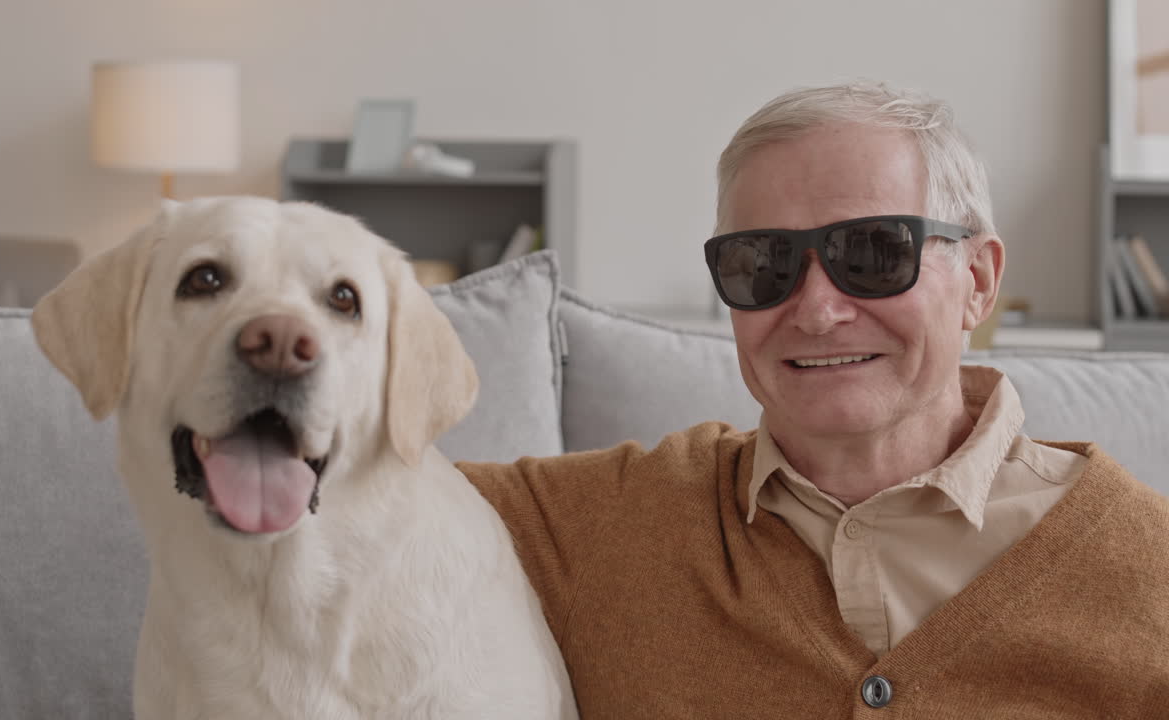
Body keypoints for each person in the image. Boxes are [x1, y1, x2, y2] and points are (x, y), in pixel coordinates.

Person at [458, 82, 1169, 718]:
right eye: (761, 263)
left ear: (977, 281)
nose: (816, 310)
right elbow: (362, 501)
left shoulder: (1149, 569)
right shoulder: (608, 521)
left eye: (872, 253)